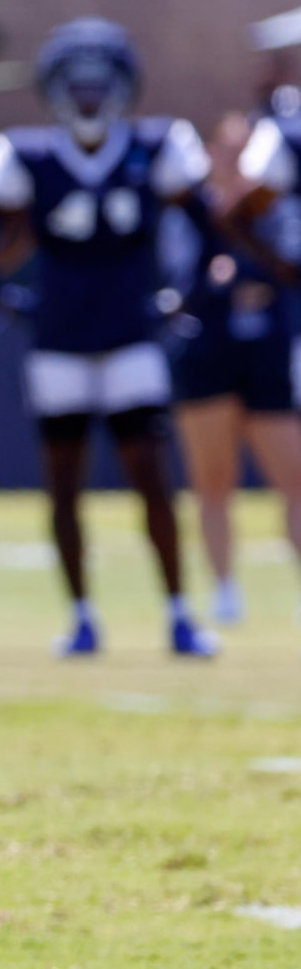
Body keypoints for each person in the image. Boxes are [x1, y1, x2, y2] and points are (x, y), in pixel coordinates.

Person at [0, 18, 212, 656]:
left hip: (131, 336)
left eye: (101, 86)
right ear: (56, 90)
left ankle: (181, 613)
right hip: (60, 342)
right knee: (65, 483)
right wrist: (4, 298)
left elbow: (207, 225)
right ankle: (80, 615)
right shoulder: (30, 155)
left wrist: (183, 293)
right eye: (79, 87)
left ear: (124, 87)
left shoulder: (158, 145)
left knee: (150, 475)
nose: (90, 98)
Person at [204, 95, 301, 622]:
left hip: (267, 352)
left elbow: (287, 270)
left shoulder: (271, 209)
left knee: (294, 476)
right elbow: (178, 277)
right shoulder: (194, 208)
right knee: (214, 479)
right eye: (230, 149)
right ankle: (223, 592)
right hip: (211, 354)